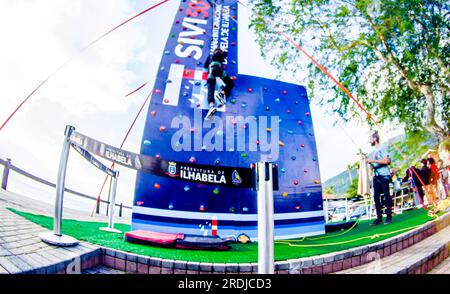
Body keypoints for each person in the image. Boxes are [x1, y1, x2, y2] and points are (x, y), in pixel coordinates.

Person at [366, 131, 393, 225]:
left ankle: (389, 217)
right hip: (376, 176)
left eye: (370, 139)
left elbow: (386, 161)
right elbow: (377, 163)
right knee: (376, 197)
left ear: (375, 138)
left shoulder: (383, 147)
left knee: (386, 195)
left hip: (384, 175)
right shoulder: (373, 152)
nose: (369, 141)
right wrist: (371, 164)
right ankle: (379, 218)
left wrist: (372, 160)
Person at [204, 48, 234, 120]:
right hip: (218, 69)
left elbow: (205, 65)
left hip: (211, 72)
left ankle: (211, 107)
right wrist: (223, 51)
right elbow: (225, 54)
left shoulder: (210, 56)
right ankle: (222, 94)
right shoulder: (219, 54)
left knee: (210, 91)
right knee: (230, 84)